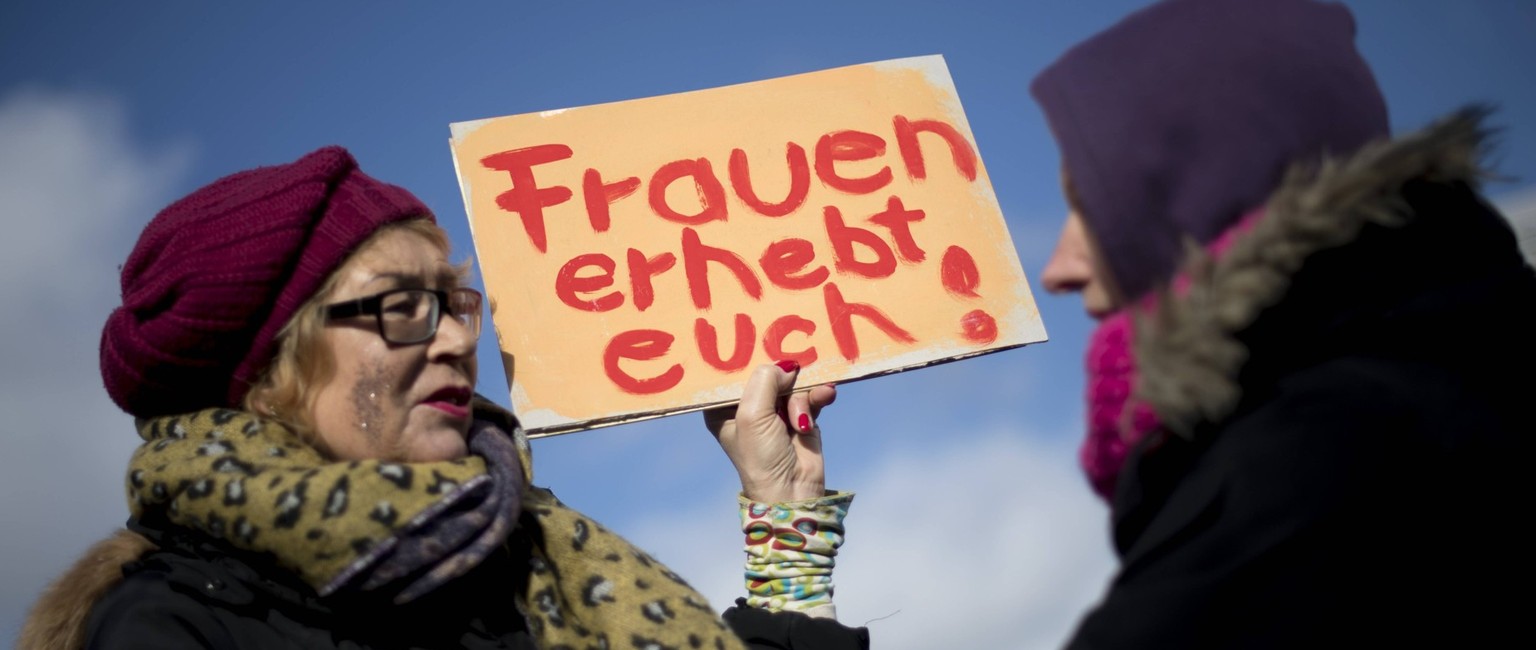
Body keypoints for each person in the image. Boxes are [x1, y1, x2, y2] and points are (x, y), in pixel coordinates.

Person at [18, 146, 869, 649]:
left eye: (455, 302)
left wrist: (784, 512)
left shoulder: (523, 564)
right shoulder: (172, 624)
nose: (458, 338)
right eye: (401, 308)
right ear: (268, 377)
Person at [1030, 0, 1532, 646]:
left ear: (1206, 189)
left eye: (1091, 206)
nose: (1057, 270)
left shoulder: (1317, 463)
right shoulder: (1445, 382)